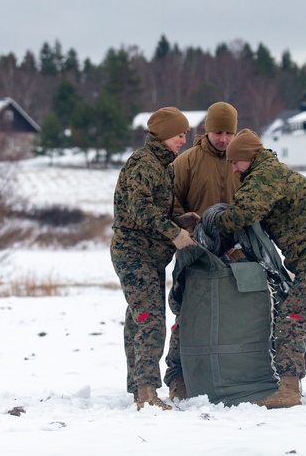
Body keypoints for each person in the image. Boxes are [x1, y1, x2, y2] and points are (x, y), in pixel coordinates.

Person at [212, 128, 306, 409]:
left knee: (292, 318)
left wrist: (211, 224)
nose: (233, 169)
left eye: (235, 162)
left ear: (247, 158)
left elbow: (245, 213)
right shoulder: (269, 173)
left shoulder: (266, 175)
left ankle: (289, 389)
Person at [111, 106, 198, 411]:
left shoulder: (164, 166)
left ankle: (139, 387)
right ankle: (147, 392)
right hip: (133, 253)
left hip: (151, 257)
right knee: (150, 320)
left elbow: (160, 210)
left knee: (139, 319)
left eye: (185, 134)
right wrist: (174, 234)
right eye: (179, 134)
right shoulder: (143, 164)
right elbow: (139, 208)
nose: (183, 140)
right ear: (163, 134)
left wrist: (180, 219)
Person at [163, 101, 241, 400]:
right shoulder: (186, 162)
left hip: (238, 251)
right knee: (188, 313)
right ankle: (177, 376)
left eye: (228, 133)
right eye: (218, 132)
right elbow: (170, 203)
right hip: (195, 252)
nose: (223, 139)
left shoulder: (243, 159)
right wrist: (191, 230)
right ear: (206, 130)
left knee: (238, 313)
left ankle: (231, 371)